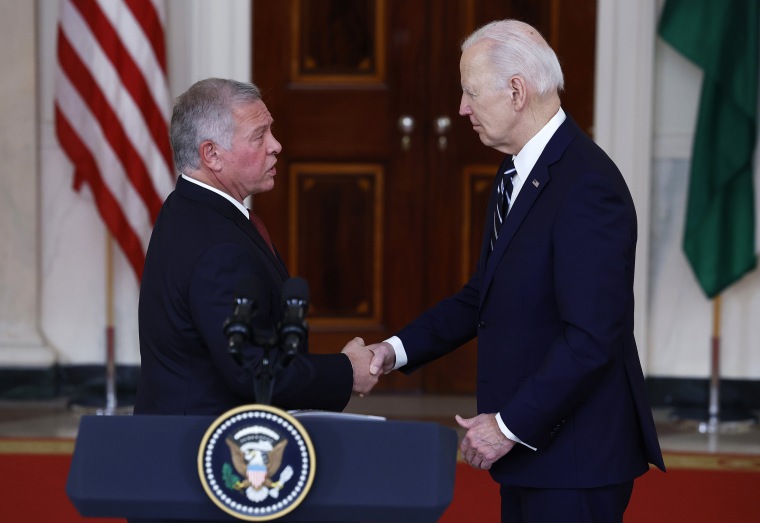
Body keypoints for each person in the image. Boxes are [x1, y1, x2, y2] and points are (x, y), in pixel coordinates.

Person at [364, 20, 666, 522]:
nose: (462, 109)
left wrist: (506, 426)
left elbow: (592, 337)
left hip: (575, 460)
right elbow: (482, 295)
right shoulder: (517, 171)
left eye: (469, 92)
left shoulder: (587, 186)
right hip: (537, 453)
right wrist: (391, 353)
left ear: (517, 91)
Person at [134, 78, 375, 416]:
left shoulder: (186, 207)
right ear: (212, 155)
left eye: (270, 132)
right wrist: (348, 371)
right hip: (207, 452)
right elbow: (253, 371)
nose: (275, 146)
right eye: (259, 136)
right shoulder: (218, 249)